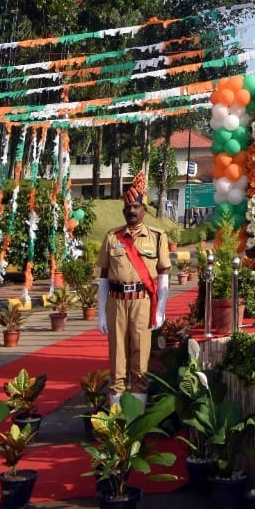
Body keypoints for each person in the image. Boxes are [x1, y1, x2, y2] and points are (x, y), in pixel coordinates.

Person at [97, 170, 170, 406]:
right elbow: (105, 277)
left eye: (136, 207)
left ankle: (137, 411)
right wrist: (100, 312)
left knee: (141, 356)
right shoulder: (112, 238)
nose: (131, 210)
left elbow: (163, 276)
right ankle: (116, 411)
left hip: (143, 302)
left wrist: (160, 310)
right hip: (116, 302)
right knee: (117, 356)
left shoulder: (157, 237)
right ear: (123, 209)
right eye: (128, 207)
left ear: (144, 210)